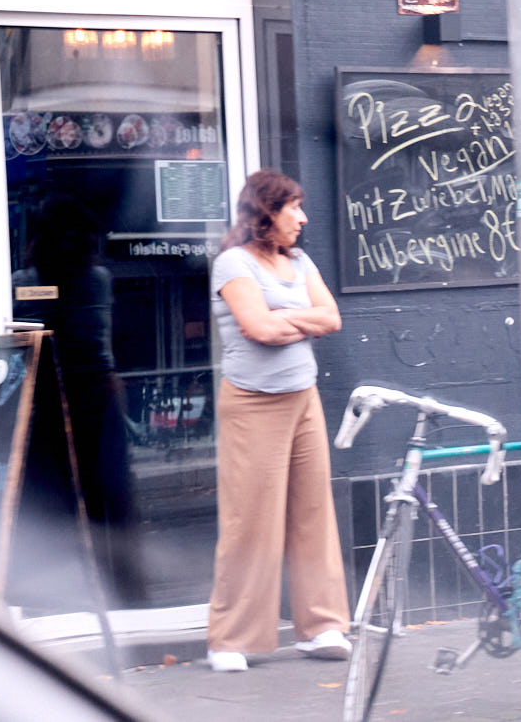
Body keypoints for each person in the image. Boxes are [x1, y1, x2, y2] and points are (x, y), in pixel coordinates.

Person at [206, 169, 351, 673]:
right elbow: (256, 328)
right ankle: (231, 639)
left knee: (313, 513)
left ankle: (322, 627)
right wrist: (294, 321)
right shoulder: (232, 264)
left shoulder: (299, 260)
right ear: (267, 211)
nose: (304, 218)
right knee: (251, 521)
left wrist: (281, 320)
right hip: (252, 404)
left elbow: (331, 317)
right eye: (294, 208)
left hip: (302, 398)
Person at [12, 195, 144, 606]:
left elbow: (29, 312)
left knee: (61, 496)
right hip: (93, 390)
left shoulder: (27, 282)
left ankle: (64, 597)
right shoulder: (97, 279)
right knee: (108, 494)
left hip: (53, 390)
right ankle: (126, 594)